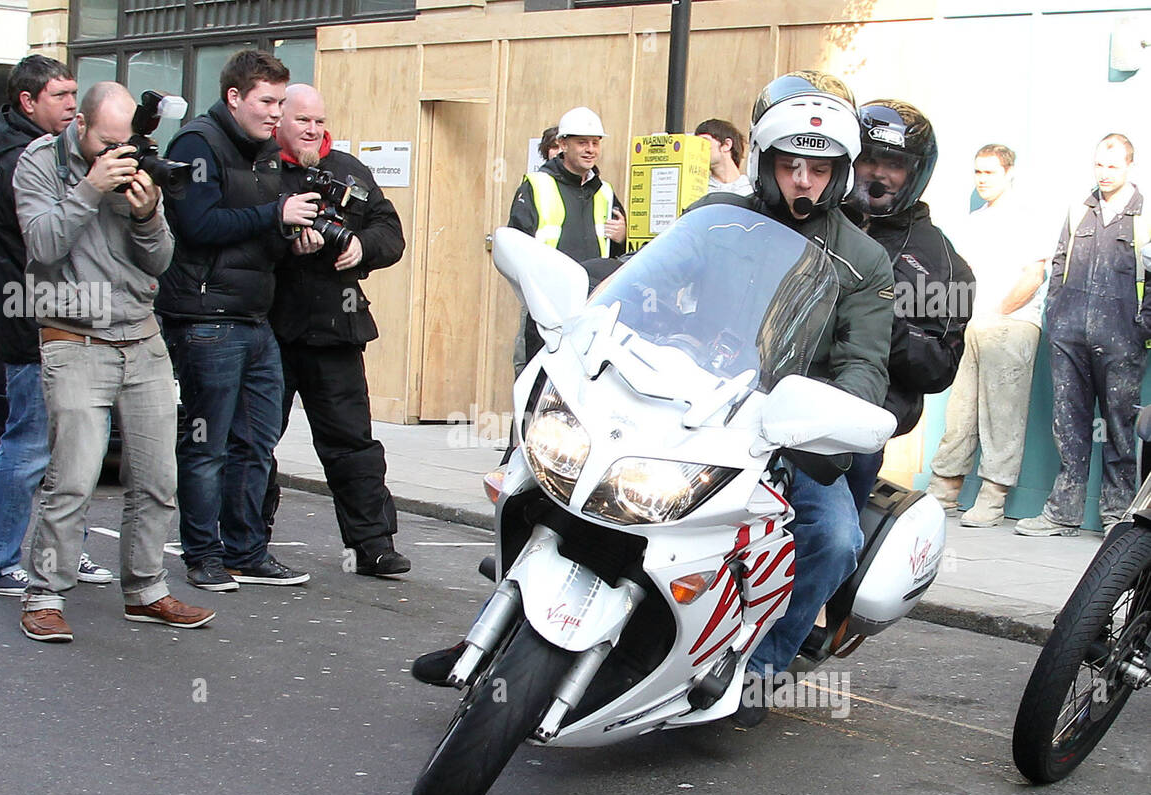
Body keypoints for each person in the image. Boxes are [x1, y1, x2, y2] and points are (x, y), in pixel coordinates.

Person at [411, 72, 894, 700]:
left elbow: (864, 362)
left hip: (779, 420)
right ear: (766, 161)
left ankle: (758, 671)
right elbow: (645, 275)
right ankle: (495, 630)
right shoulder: (718, 216)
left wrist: (822, 421)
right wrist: (583, 301)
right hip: (683, 389)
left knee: (834, 539)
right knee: (556, 465)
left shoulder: (864, 260)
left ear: (841, 172)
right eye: (790, 164)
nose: (803, 180)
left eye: (819, 168)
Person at [15, 81, 212, 642]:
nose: (116, 155)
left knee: (157, 478)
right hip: (73, 338)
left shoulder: (140, 160)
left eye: (124, 144)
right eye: (106, 143)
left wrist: (149, 214)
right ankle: (45, 593)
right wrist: (88, 189)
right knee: (73, 478)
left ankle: (146, 590)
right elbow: (44, 245)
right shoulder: (38, 164)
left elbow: (161, 259)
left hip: (142, 336)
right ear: (79, 125)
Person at [157, 51, 316, 590]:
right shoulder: (196, 144)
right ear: (234, 98)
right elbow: (197, 224)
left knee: (257, 442)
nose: (278, 113)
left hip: (253, 316)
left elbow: (258, 234)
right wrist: (275, 215)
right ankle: (203, 555)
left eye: (281, 102)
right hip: (204, 317)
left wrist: (294, 237)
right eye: (267, 102)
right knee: (207, 446)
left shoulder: (268, 151)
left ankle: (247, 550)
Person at [0, 56, 114, 596]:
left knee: (75, 448)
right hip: (32, 320)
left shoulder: (56, 153)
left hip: (76, 318)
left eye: (76, 93)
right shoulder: (17, 162)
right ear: (29, 102)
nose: (74, 104)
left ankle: (63, 553)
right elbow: (49, 241)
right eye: (61, 95)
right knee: (28, 446)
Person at [267, 83, 410, 576]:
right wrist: (285, 243)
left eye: (319, 121)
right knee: (255, 442)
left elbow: (392, 235)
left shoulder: (350, 170)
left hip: (337, 331)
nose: (313, 129)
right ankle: (246, 542)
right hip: (272, 331)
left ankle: (373, 545)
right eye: (303, 120)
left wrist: (360, 249)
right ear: (280, 120)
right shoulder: (262, 168)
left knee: (353, 444)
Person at [842, 100, 973, 515]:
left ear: (914, 174)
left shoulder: (946, 266)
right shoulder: (814, 220)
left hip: (860, 416)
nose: (880, 173)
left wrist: (883, 322)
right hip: (772, 393)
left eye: (894, 165)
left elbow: (939, 368)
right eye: (870, 159)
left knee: (834, 536)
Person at [1016, 134, 1148, 536]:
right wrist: (1054, 315)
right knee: (1069, 423)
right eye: (1099, 165)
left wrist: (1144, 325)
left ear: (1129, 166)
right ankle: (1062, 513)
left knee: (1120, 427)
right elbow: (1059, 265)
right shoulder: (1079, 211)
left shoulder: (1144, 218)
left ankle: (1117, 517)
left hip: (1123, 338)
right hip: (1069, 334)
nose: (1105, 173)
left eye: (1113, 166)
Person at [927, 145, 1047, 527]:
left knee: (1002, 416)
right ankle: (944, 489)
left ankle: (993, 497)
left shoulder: (1028, 218)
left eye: (990, 172)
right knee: (959, 413)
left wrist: (997, 314)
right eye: (978, 172)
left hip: (1012, 324)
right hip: (971, 326)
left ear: (1009, 172)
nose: (982, 179)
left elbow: (1033, 276)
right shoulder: (972, 221)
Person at [507, 106, 626, 373]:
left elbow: (620, 253)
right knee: (541, 381)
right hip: (548, 304)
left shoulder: (605, 192)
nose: (590, 149)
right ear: (562, 144)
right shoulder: (536, 184)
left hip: (594, 301)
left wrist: (622, 237)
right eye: (582, 142)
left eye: (595, 143)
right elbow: (516, 245)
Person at [694, 118, 753, 197]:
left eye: (705, 142)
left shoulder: (752, 190)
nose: (699, 149)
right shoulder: (697, 191)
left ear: (726, 145)